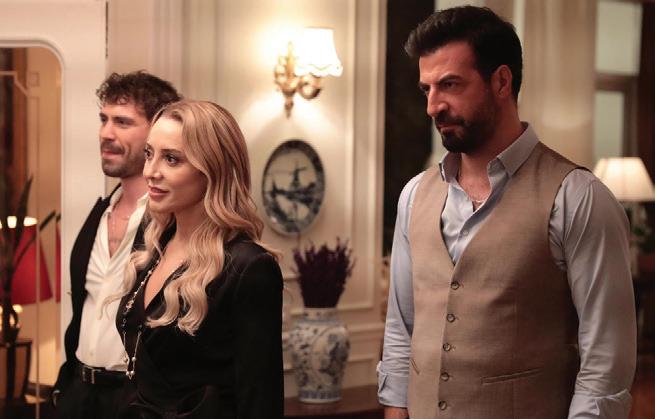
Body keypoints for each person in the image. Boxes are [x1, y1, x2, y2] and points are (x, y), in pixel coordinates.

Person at [377, 6, 636, 419]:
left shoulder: (577, 197)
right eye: (426, 89)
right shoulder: (413, 195)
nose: (433, 106)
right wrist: (395, 409)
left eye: (450, 84)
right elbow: (400, 327)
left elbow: (606, 360)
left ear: (501, 81)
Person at [112, 100, 284, 418]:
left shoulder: (248, 267)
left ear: (212, 170)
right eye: (149, 154)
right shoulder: (153, 245)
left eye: (172, 159)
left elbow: (260, 400)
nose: (150, 172)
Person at [53, 71, 181, 418]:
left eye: (122, 122)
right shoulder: (100, 212)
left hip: (135, 401)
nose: (106, 133)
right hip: (79, 394)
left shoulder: (173, 224)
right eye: (103, 119)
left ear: (156, 132)